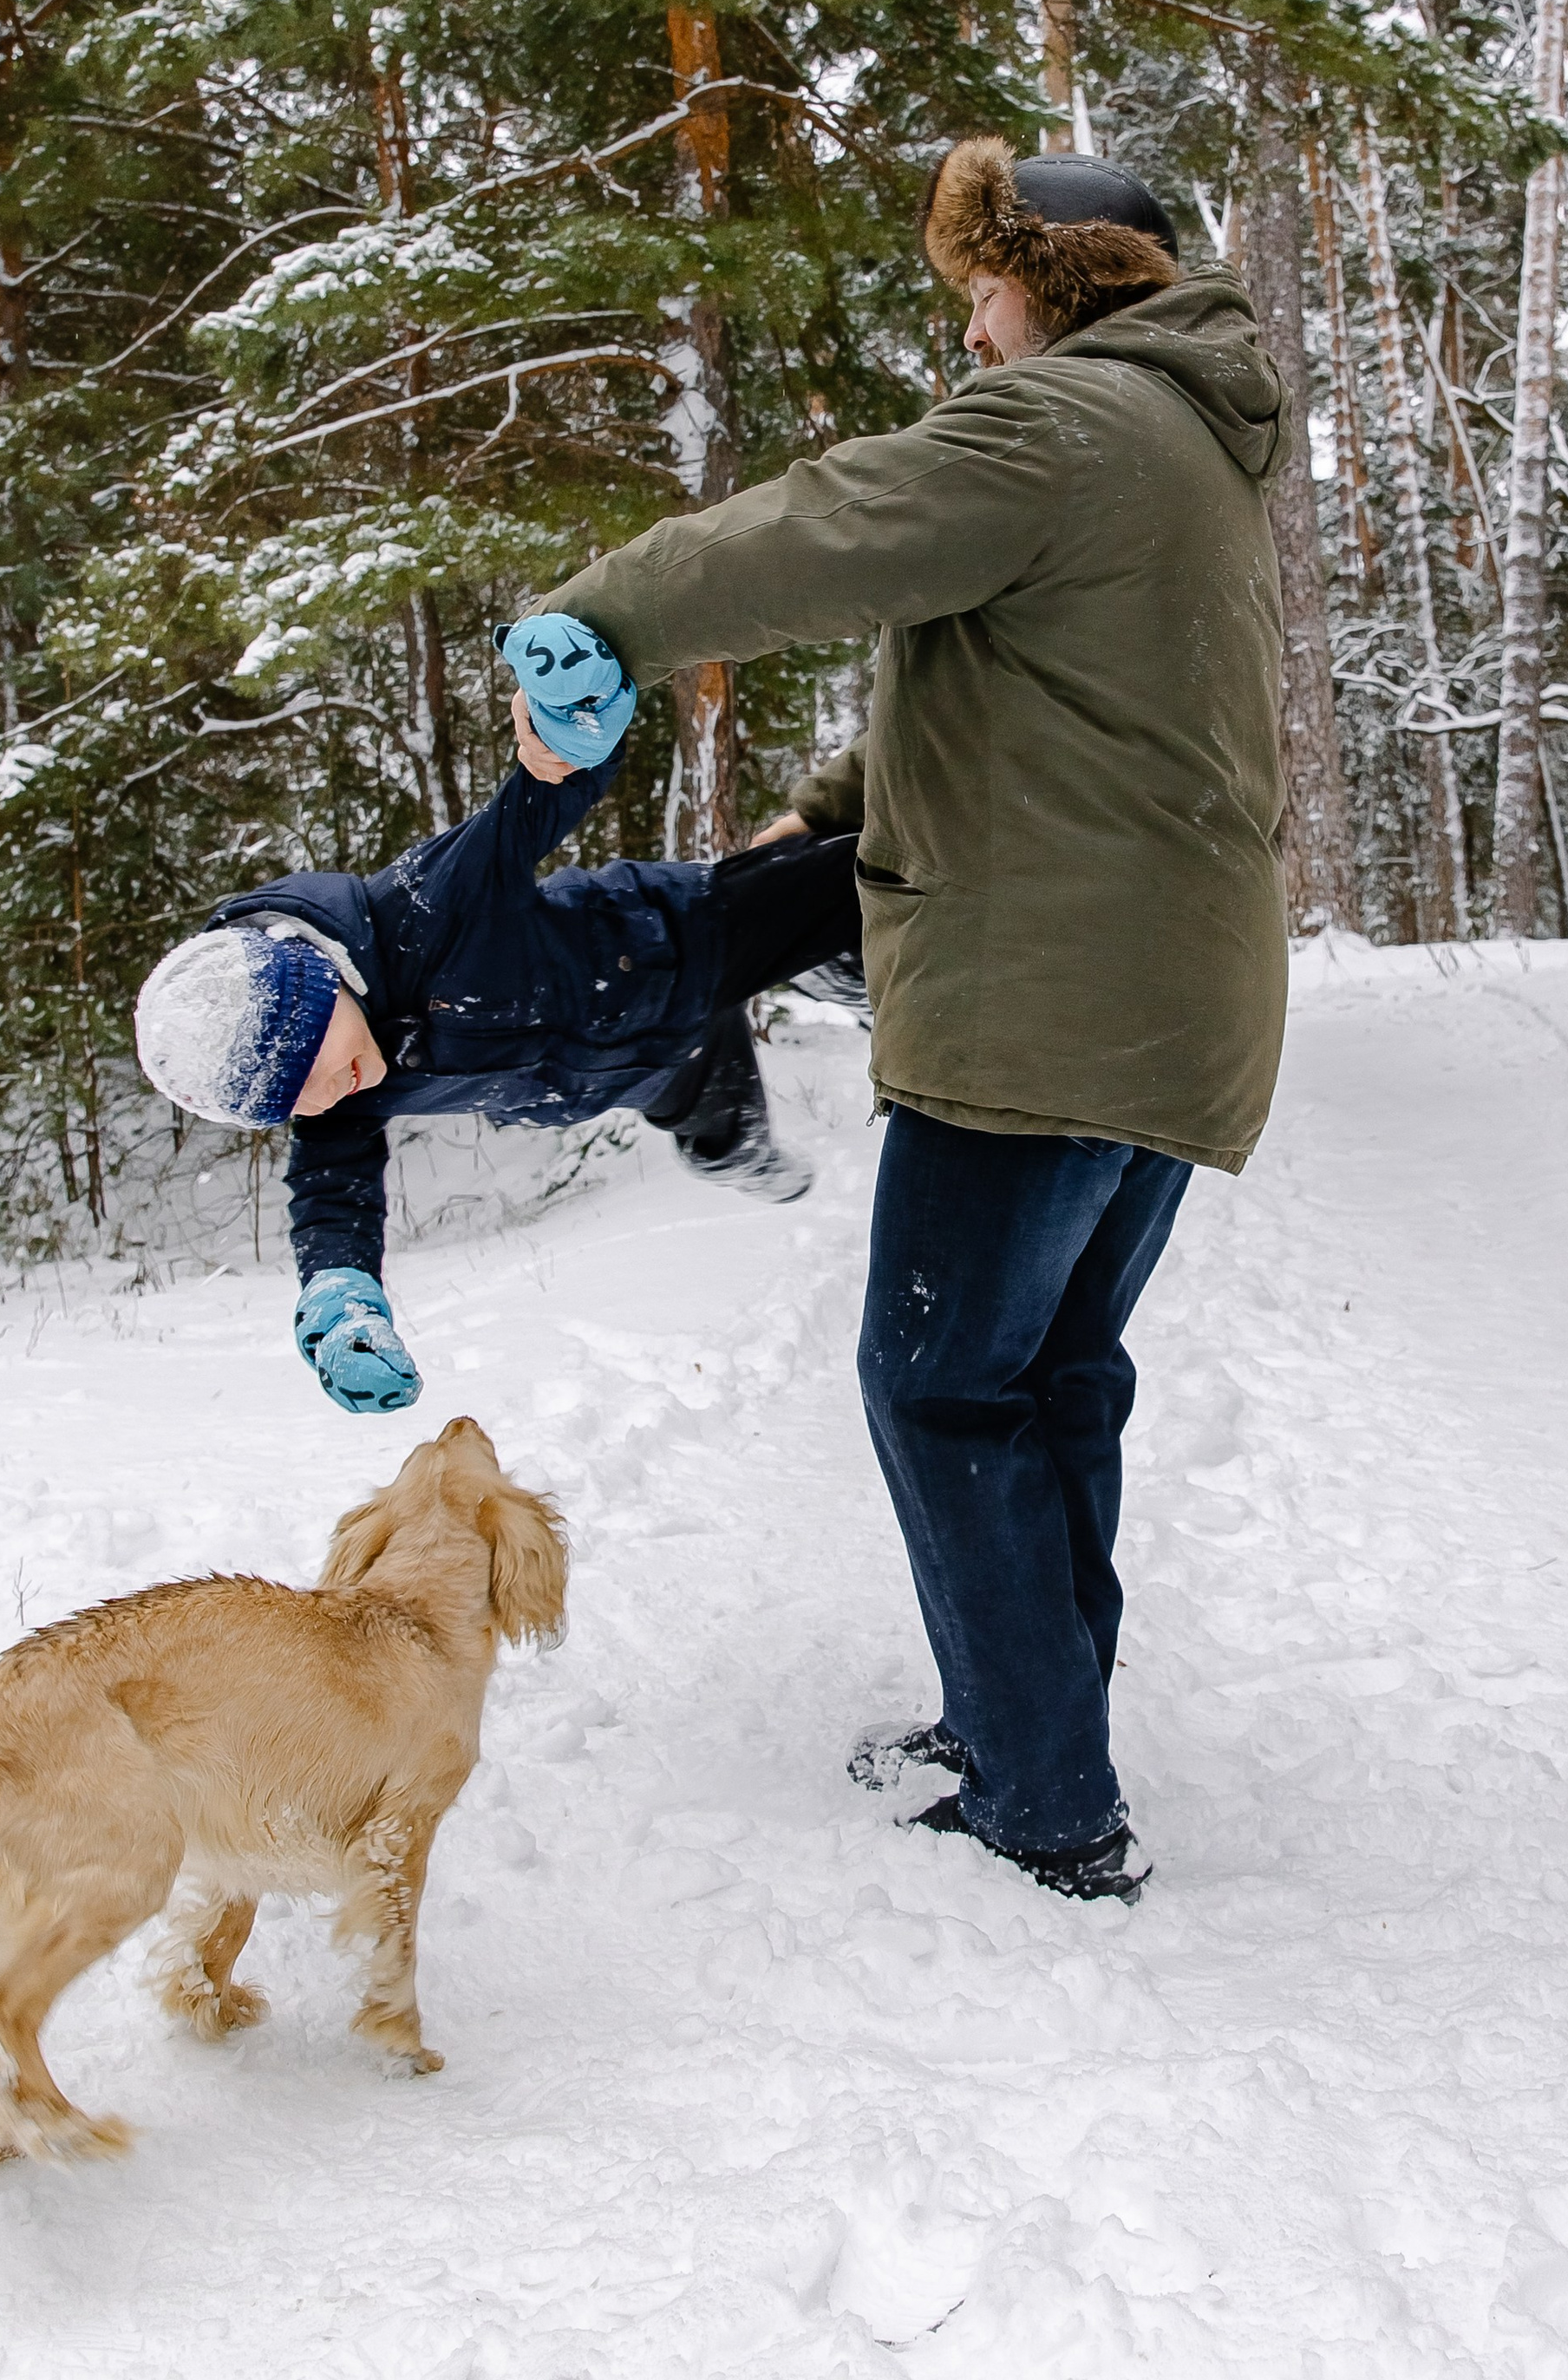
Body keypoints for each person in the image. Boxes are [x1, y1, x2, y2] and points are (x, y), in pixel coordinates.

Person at [541, 137, 1289, 1905]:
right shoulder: (1180, 443)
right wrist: (826, 811)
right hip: (1170, 1001)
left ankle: (1045, 1801)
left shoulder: (1058, 423)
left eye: (982, 289)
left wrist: (595, 617)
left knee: (943, 1385)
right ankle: (1033, 1721)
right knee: (1051, 1377)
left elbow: (821, 532)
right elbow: (1045, 693)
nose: (968, 330)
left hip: (1046, 1001)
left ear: (1057, 280)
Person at [134, 657, 865, 1416]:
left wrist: (568, 733)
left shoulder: (426, 904)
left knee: (862, 878)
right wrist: (340, 1294)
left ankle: (856, 968)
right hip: (642, 1072)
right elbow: (330, 1193)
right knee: (720, 1124)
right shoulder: (346, 1084)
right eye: (288, 1106)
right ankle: (737, 1149)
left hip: (674, 946)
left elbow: (537, 802)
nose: (316, 1102)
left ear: (321, 985)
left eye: (304, 1072)